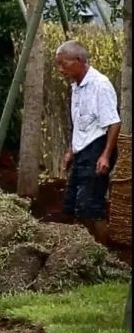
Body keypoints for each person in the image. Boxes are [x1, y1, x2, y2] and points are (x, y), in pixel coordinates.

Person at [54, 40, 121, 244]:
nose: (60, 69)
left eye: (63, 64)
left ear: (79, 61)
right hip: (83, 151)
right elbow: (81, 123)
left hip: (98, 149)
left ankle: (103, 254)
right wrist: (71, 151)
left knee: (91, 206)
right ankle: (80, 250)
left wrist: (105, 156)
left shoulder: (100, 85)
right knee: (72, 203)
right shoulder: (76, 86)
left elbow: (114, 123)